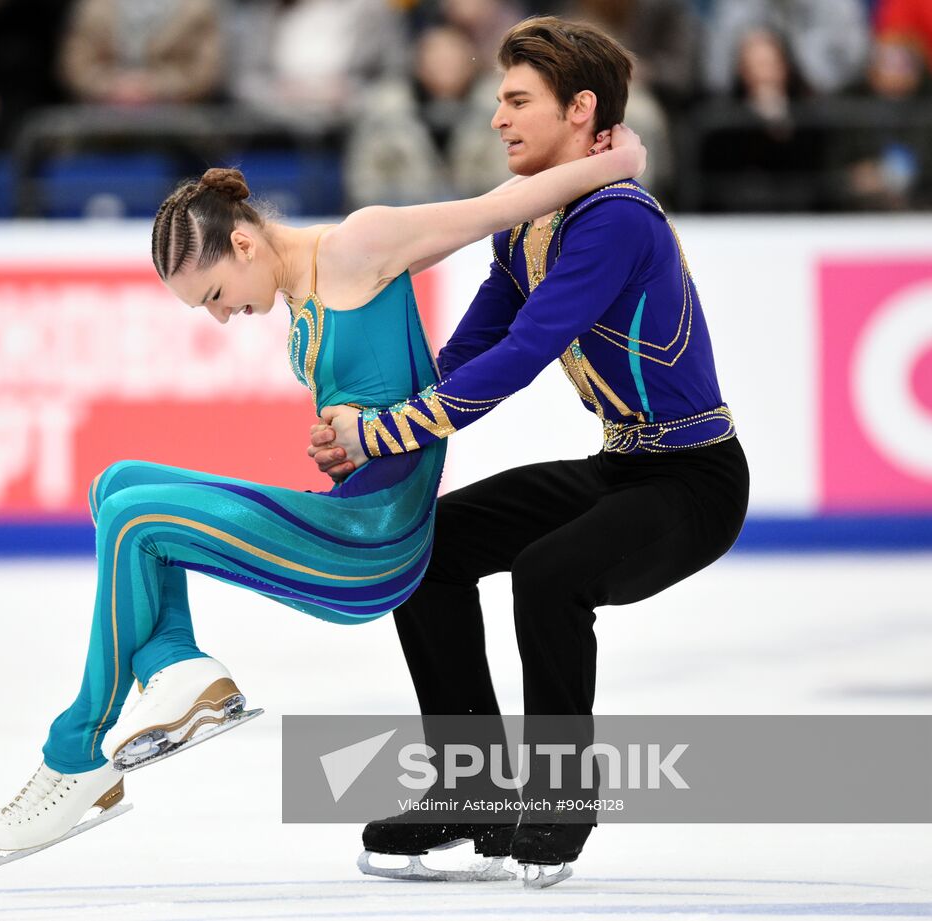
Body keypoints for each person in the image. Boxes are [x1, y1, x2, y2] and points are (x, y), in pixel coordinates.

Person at [0, 129, 648, 867]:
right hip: (352, 508)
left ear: (243, 244)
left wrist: (617, 162)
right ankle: (177, 666)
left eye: (212, 295)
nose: (218, 315)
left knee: (137, 518)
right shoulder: (301, 292)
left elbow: (499, 208)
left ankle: (77, 748)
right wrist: (347, 442)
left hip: (373, 540)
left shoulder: (354, 247)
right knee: (118, 484)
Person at [309, 16, 749, 887]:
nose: (498, 118)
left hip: (695, 482)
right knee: (426, 555)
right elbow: (470, 349)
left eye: (518, 101)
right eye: (499, 101)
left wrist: (389, 432)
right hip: (621, 466)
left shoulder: (616, 218)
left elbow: (524, 353)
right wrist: (376, 431)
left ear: (581, 110)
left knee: (551, 574)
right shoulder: (528, 226)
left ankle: (558, 799)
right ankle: (466, 790)